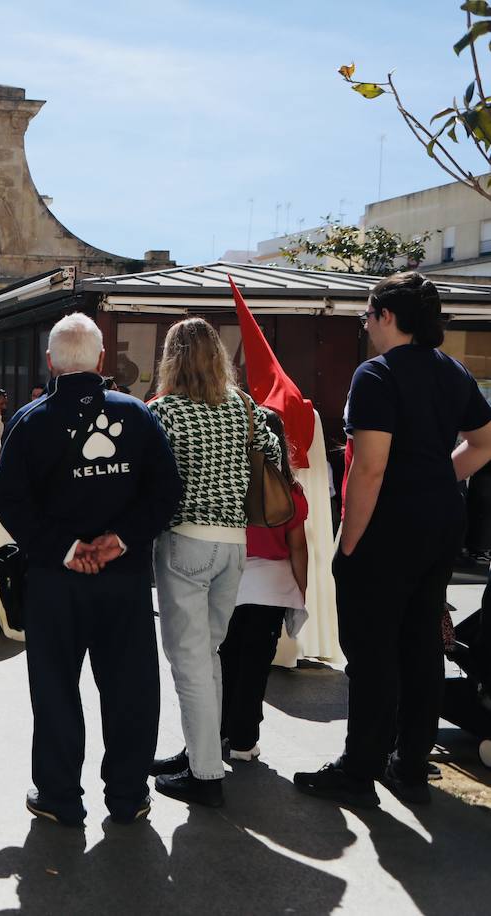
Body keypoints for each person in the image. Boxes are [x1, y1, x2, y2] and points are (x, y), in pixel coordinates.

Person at [296, 272, 491, 807]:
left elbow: (369, 469)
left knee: (372, 652)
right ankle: (410, 764)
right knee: (421, 644)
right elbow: (484, 442)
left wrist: (348, 541)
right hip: (441, 522)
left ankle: (359, 771)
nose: (365, 325)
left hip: (388, 527)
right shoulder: (452, 370)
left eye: (366, 315)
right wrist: (438, 478)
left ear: (385, 315)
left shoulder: (376, 374)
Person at [0, 312, 182, 827]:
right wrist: (119, 540)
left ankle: (58, 796)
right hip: (123, 579)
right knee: (130, 686)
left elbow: (9, 500)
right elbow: (165, 489)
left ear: (50, 361)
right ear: (101, 359)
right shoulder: (136, 414)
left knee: (55, 686)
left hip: (55, 581)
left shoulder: (30, 420)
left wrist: (66, 547)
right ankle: (128, 794)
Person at [147, 317, 281, 809]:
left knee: (189, 661)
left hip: (186, 541)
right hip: (234, 544)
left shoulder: (164, 411)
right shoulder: (243, 405)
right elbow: (273, 453)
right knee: (209, 655)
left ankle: (204, 774)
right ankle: (201, 752)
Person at [221, 409, 309, 763]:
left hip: (231, 583)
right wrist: (301, 591)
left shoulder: (231, 484)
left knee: (226, 662)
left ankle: (219, 731)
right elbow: (298, 547)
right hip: (273, 589)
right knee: (255, 668)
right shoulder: (291, 491)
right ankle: (244, 741)